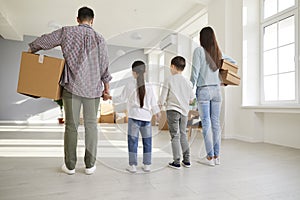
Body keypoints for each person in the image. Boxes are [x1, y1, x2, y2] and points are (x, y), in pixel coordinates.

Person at [28, 6, 112, 175]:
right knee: (91, 127)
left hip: (72, 87)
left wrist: (31, 50)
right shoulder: (100, 39)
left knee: (71, 127)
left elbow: (45, 40)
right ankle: (90, 166)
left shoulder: (67, 32)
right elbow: (104, 67)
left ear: (77, 19)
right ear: (92, 21)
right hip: (93, 90)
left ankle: (70, 166)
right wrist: (106, 89)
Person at [190, 26, 235, 166]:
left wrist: (189, 89)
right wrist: (221, 80)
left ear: (202, 38)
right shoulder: (218, 52)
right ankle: (217, 157)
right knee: (215, 124)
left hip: (203, 91)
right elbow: (233, 62)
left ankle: (209, 157)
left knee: (207, 124)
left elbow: (195, 73)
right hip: (217, 91)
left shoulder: (198, 51)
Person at [107, 61, 160, 173]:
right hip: (146, 118)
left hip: (134, 117)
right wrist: (157, 113)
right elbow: (153, 103)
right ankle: (147, 165)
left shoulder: (130, 85)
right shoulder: (149, 86)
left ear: (133, 72)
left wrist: (110, 97)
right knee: (147, 142)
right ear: (145, 72)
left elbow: (121, 98)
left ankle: (133, 166)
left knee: (133, 142)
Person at [159, 56, 195, 169]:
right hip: (184, 111)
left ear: (173, 66)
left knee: (175, 135)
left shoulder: (169, 79)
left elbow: (162, 98)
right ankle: (187, 160)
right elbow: (191, 99)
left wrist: (160, 106)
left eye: (170, 66)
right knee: (183, 134)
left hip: (172, 110)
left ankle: (176, 162)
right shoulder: (188, 82)